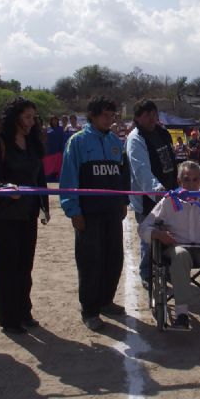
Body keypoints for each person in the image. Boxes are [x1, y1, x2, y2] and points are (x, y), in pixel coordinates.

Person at [60, 96, 129, 332]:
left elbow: (122, 175)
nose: (110, 120)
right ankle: (89, 310)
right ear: (92, 115)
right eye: (105, 115)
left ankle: (106, 301)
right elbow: (68, 178)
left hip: (112, 211)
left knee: (113, 258)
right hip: (88, 214)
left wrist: (123, 200)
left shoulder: (115, 142)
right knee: (91, 261)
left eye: (112, 116)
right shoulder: (77, 142)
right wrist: (73, 210)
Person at [139, 160, 200, 331]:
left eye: (195, 180)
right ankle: (182, 315)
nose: (191, 184)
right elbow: (144, 227)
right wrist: (159, 234)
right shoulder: (169, 200)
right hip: (178, 248)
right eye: (186, 179)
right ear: (179, 181)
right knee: (181, 256)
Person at [0, 97, 50, 334]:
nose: (32, 122)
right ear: (15, 118)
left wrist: (44, 206)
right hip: (4, 216)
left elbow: (38, 177)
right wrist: (5, 188)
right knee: (7, 267)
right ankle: (9, 319)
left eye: (34, 117)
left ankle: (24, 311)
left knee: (25, 266)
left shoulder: (32, 143)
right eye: (27, 117)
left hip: (28, 213)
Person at [126, 99, 179, 288]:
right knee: (150, 236)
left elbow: (171, 161)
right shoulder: (136, 138)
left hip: (171, 192)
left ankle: (168, 270)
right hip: (148, 197)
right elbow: (141, 171)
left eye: (154, 114)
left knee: (171, 233)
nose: (151, 118)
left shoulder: (163, 133)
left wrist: (178, 181)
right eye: (147, 115)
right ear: (138, 117)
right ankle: (147, 273)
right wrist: (157, 191)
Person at [44, 115, 64, 182]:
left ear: (58, 121)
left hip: (58, 151)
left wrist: (62, 150)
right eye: (53, 120)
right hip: (50, 151)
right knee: (50, 168)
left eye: (56, 120)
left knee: (58, 168)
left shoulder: (61, 129)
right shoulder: (48, 129)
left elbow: (62, 139)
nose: (54, 121)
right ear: (51, 121)